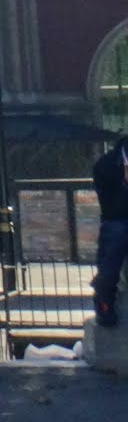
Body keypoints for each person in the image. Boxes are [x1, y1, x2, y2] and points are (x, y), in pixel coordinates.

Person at [93, 133, 128, 328]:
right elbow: (111, 207)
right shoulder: (106, 166)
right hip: (119, 219)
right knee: (115, 236)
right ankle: (104, 303)